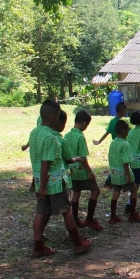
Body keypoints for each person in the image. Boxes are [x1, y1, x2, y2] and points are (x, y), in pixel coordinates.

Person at [28, 100, 91, 257]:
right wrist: (43, 187)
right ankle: (78, 243)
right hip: (54, 181)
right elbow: (46, 162)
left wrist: (39, 186)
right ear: (53, 116)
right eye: (58, 115)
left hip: (39, 179)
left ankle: (38, 247)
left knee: (41, 212)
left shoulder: (34, 132)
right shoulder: (51, 137)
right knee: (66, 211)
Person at [65, 110, 102, 230]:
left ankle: (75, 220)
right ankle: (89, 219)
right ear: (84, 123)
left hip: (71, 170)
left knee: (76, 193)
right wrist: (90, 172)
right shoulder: (80, 136)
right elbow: (83, 158)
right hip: (81, 170)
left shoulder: (67, 135)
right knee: (95, 191)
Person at [108, 120, 140, 223]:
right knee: (133, 190)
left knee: (116, 192)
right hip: (123, 173)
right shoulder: (125, 144)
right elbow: (126, 162)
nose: (128, 132)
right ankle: (132, 214)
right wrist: (128, 176)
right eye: (127, 130)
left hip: (114, 173)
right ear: (124, 132)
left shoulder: (113, 142)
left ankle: (113, 216)